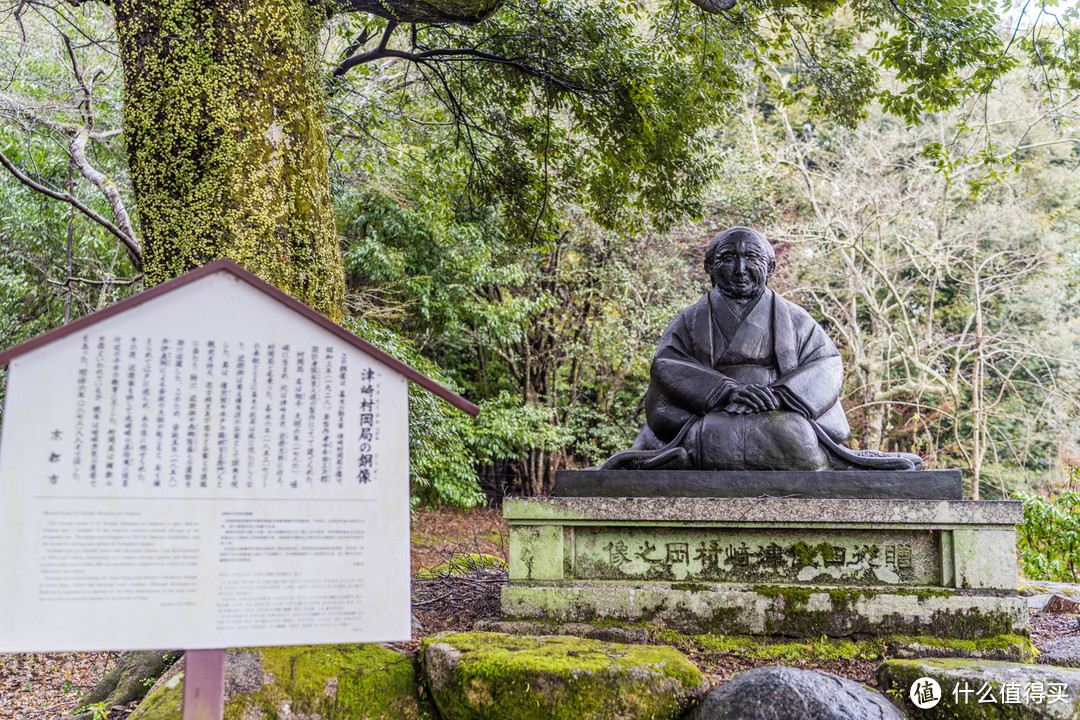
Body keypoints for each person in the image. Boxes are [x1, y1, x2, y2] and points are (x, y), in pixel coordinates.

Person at [603, 226, 921, 471]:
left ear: (769, 268)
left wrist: (779, 395)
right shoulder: (691, 321)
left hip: (781, 412)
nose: (740, 269)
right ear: (710, 267)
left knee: (792, 434)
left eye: (751, 258)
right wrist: (723, 391)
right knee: (714, 434)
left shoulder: (796, 320)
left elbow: (827, 365)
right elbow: (667, 364)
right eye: (728, 258)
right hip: (712, 414)